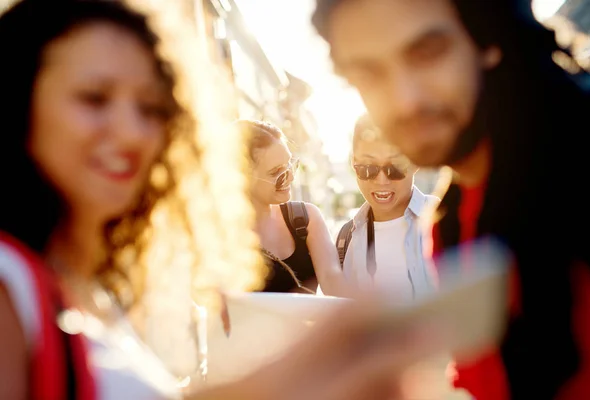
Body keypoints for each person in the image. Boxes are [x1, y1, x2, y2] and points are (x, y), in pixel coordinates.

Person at [0, 1, 439, 399]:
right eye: (94, 98)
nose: (132, 131)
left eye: (150, 108)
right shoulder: (9, 281)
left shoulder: (87, 287)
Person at [312, 0, 590, 398]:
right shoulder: (448, 217)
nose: (404, 100)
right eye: (369, 74)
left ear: (487, 38)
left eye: (428, 52)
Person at [237, 119, 348, 296]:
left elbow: (332, 281)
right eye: (276, 173)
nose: (289, 177)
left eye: (290, 165)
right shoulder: (219, 233)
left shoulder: (305, 218)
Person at [337, 113, 439, 301]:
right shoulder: (347, 239)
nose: (381, 180)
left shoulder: (443, 217)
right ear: (353, 163)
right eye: (368, 167)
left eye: (395, 167)